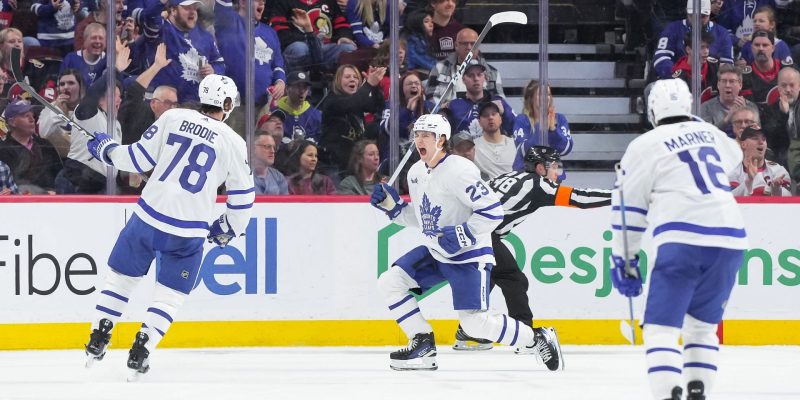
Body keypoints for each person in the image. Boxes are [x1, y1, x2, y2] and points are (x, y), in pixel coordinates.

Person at [83, 74, 255, 378]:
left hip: (147, 218)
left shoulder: (173, 117)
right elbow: (242, 203)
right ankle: (143, 346)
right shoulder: (234, 143)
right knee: (170, 296)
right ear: (227, 105)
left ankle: (99, 334)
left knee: (120, 281)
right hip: (187, 234)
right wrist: (226, 229)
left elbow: (135, 159)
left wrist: (107, 149)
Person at [369, 113, 550, 371]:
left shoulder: (460, 170)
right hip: (436, 252)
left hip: (470, 256)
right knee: (390, 282)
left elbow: (492, 212)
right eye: (416, 134)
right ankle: (422, 343)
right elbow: (423, 219)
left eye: (426, 135)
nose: (418, 139)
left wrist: (464, 233)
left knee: (474, 324)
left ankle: (537, 338)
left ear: (441, 140)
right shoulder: (416, 172)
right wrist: (394, 207)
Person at [609, 78, 747, 400]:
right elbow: (736, 161)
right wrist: (695, 127)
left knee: (660, 330)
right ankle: (698, 392)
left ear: (652, 111)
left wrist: (625, 259)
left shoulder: (644, 146)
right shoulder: (712, 134)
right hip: (730, 238)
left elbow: (628, 210)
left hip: (682, 237)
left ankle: (669, 394)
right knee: (701, 328)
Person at [451, 145, 611, 369]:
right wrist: (619, 196)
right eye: (553, 167)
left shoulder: (511, 176)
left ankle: (469, 332)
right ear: (540, 168)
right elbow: (580, 198)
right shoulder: (539, 185)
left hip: (465, 230)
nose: (558, 173)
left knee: (493, 275)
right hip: (481, 234)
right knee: (512, 278)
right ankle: (524, 334)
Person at [214, 0, 286, 130]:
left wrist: (280, 82)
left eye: (264, 1)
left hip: (263, 106)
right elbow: (222, 4)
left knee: (259, 148)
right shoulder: (229, 21)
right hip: (234, 105)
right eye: (257, 0)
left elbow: (278, 64)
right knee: (234, 147)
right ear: (242, 3)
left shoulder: (270, 32)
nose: (262, 4)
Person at [137, 0, 225, 103]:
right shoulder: (161, 31)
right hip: (163, 105)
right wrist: (161, 3)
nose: (192, 12)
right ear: (173, 10)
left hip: (194, 106)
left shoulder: (205, 36)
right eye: (187, 8)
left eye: (194, 8)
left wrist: (213, 70)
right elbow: (150, 17)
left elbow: (219, 63)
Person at [319, 63, 385, 178]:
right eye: (347, 77)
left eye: (355, 77)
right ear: (338, 80)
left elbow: (376, 106)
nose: (352, 80)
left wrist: (375, 87)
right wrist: (369, 84)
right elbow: (351, 104)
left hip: (354, 166)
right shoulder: (332, 100)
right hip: (334, 167)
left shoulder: (358, 100)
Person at [653, 0, 733, 80]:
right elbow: (661, 57)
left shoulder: (722, 33)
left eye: (703, 16)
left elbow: (727, 64)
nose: (698, 20)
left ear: (709, 14)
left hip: (711, 83)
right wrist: (676, 76)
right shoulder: (672, 29)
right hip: (675, 82)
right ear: (687, 13)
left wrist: (712, 80)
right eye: (693, 16)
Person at [269, 0, 356, 73]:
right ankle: (300, 85)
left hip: (325, 50)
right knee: (299, 48)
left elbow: (342, 24)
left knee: (349, 48)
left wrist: (344, 36)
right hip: (302, 48)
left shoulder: (330, 2)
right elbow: (279, 31)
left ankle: (336, 86)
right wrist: (310, 40)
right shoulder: (284, 2)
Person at [426, 27, 504, 105]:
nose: (469, 47)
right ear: (456, 45)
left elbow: (500, 100)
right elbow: (431, 97)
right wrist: (444, 112)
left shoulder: (492, 72)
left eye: (473, 44)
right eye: (464, 43)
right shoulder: (439, 68)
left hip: (482, 115)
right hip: (448, 114)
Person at [0, 99, 63, 192]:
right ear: (12, 122)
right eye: (26, 116)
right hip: (24, 202)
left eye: (32, 115)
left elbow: (60, 174)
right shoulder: (3, 150)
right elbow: (12, 184)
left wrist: (57, 192)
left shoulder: (45, 144)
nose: (32, 119)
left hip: (53, 200)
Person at [512, 80, 572, 171]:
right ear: (531, 97)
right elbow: (523, 151)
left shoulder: (559, 119)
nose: (545, 97)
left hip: (550, 175)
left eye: (547, 94)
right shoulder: (522, 120)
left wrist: (553, 130)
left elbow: (566, 149)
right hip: (525, 175)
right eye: (540, 94)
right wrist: (541, 128)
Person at [446, 60, 514, 137]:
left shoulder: (498, 102)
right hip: (463, 147)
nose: (476, 79)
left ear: (485, 77)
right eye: (471, 75)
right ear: (463, 80)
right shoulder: (454, 105)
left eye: (479, 75)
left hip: (492, 148)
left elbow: (514, 128)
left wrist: (503, 114)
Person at [378, 70, 432, 161]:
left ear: (421, 88)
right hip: (394, 159)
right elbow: (386, 128)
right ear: (401, 89)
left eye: (417, 83)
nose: (414, 85)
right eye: (409, 84)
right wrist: (407, 110)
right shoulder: (391, 105)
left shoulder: (428, 107)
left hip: (420, 158)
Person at [728, 126, 792, 196]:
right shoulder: (732, 172)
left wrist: (776, 189)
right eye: (755, 138)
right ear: (743, 144)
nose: (761, 142)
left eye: (763, 139)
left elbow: (790, 199)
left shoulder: (778, 170)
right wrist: (749, 181)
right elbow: (729, 199)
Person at [699, 63, 757, 138]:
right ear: (718, 84)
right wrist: (728, 118)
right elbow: (706, 136)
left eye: (732, 81)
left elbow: (757, 136)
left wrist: (744, 115)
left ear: (740, 85)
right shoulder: (706, 107)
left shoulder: (751, 107)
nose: (727, 85)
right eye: (724, 81)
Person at [760, 66, 799, 170]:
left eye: (792, 85)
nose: (788, 90)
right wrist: (783, 114)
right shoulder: (770, 110)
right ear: (778, 88)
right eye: (784, 85)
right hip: (782, 156)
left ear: (799, 87)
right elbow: (773, 140)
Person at [38, 69, 84, 158]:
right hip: (57, 161)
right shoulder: (51, 107)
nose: (66, 87)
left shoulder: (91, 109)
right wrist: (57, 110)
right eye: (62, 84)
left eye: (71, 83)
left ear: (80, 87)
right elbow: (43, 134)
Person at [740, 30, 793, 106]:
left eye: (765, 45)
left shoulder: (788, 69)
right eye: (757, 45)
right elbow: (750, 108)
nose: (761, 48)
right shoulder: (745, 76)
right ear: (752, 48)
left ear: (773, 48)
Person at [670, 31, 719, 104]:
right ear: (688, 50)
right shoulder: (679, 77)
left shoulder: (715, 65)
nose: (706, 52)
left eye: (707, 47)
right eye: (701, 47)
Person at [272, 70, 321, 143]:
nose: (302, 91)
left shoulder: (316, 115)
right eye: (298, 86)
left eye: (305, 87)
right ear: (287, 88)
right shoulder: (274, 114)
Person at [472, 101, 515, 179]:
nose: (490, 117)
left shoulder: (515, 144)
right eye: (485, 115)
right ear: (479, 122)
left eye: (494, 114)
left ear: (500, 119)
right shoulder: (472, 148)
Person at [60, 22, 107, 86]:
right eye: (94, 38)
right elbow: (62, 86)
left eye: (101, 38)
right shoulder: (71, 59)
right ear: (85, 40)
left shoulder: (108, 61)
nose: (97, 41)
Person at [402, 8, 435, 76]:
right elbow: (420, 60)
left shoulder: (421, 39)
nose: (431, 25)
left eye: (432, 22)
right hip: (410, 74)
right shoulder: (411, 40)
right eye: (426, 21)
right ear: (417, 23)